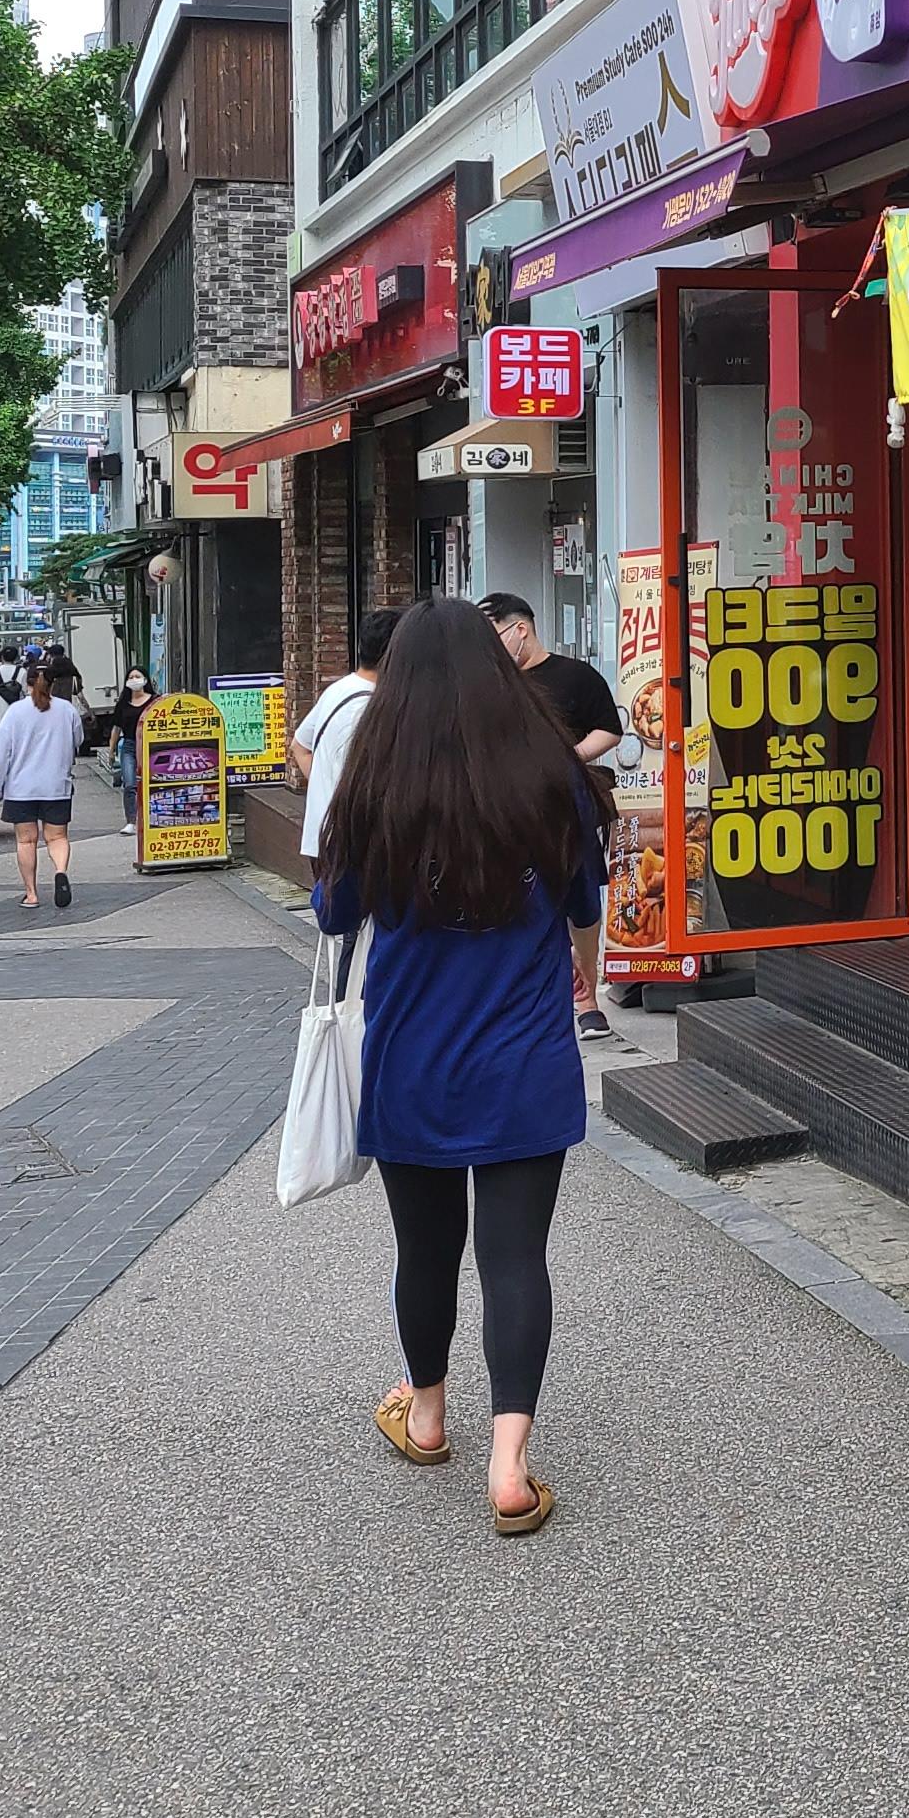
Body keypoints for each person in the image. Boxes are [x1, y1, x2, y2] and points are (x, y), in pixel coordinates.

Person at [314, 597, 603, 1537]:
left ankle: (429, 1415)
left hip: (413, 1056)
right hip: (525, 1053)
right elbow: (584, 903)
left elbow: (332, 915)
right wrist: (581, 973)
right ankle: (510, 1467)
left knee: (425, 1250)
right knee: (516, 1257)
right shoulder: (551, 773)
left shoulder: (376, 781)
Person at [482, 593, 625, 1042]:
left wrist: (568, 757)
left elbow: (610, 729)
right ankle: (542, 991)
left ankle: (587, 998)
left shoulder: (575, 676)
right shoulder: (490, 687)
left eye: (494, 635)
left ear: (520, 629)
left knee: (582, 904)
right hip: (507, 814)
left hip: (568, 810)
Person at [289, 611, 399, 877]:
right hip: (352, 845)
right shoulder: (368, 707)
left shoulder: (338, 690)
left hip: (322, 836)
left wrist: (325, 789)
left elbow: (299, 746)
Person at [0, 659, 85, 910]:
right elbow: (78, 740)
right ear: (53, 683)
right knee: (57, 837)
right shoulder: (67, 710)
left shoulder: (14, 712)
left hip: (21, 788)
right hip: (56, 785)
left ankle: (31, 894)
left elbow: (1, 753)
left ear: (27, 682)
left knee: (26, 841)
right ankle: (60, 871)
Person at [107, 668, 154, 805]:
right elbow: (116, 728)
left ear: (145, 680)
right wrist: (111, 750)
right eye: (131, 677)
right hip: (129, 746)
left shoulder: (155, 701)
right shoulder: (123, 704)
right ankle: (132, 816)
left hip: (151, 746)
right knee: (129, 784)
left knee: (151, 782)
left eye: (137, 676)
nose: (134, 680)